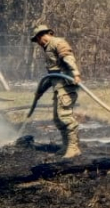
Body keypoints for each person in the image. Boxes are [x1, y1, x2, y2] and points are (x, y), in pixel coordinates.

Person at [30, 24, 83, 158]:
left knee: (65, 116)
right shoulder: (48, 48)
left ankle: (73, 147)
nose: (38, 44)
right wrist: (40, 92)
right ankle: (66, 145)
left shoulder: (58, 42)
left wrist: (76, 73)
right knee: (57, 118)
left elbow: (68, 58)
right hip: (58, 87)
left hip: (66, 86)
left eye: (37, 40)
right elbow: (52, 76)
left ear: (41, 36)